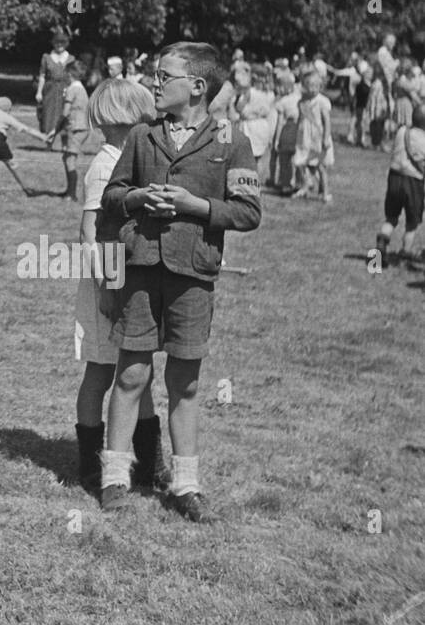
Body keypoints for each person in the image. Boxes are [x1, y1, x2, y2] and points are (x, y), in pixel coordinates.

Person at [99, 42, 262, 522]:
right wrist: (136, 199)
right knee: (131, 373)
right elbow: (112, 194)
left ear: (196, 86)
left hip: (193, 274)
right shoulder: (141, 135)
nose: (153, 81)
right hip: (141, 268)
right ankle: (114, 474)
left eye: (163, 75)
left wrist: (195, 207)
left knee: (185, 382)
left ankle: (185, 484)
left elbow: (249, 212)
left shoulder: (231, 140)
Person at [74, 76, 164, 497]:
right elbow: (90, 235)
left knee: (137, 372)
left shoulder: (127, 160)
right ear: (127, 120)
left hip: (130, 282)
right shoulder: (105, 166)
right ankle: (91, 463)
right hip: (106, 285)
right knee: (100, 372)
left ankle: (149, 462)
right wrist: (106, 287)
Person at [373, 104, 425, 269]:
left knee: (391, 218)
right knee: (412, 222)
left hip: (394, 177)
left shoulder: (402, 131)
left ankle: (381, 244)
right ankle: (405, 253)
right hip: (413, 182)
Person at [0, 96, 49, 193]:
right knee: (11, 164)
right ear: (8, 109)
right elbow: (25, 129)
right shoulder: (6, 116)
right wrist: (42, 137)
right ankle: (26, 188)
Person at [49, 60, 91, 201]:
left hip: (76, 128)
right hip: (79, 127)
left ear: (70, 74)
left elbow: (65, 113)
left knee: (70, 160)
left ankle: (72, 194)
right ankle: (69, 191)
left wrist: (55, 129)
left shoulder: (72, 89)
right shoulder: (81, 88)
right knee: (67, 158)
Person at [292, 68, 334, 202]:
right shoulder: (302, 102)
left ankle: (325, 192)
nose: (313, 89)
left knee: (320, 165)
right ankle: (305, 186)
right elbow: (300, 119)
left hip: (317, 136)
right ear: (304, 86)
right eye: (309, 86)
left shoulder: (322, 101)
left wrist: (326, 138)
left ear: (320, 87)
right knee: (301, 162)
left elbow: (326, 121)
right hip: (304, 136)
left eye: (316, 86)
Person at [227, 63, 275, 173]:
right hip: (262, 125)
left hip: (250, 127)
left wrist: (236, 100)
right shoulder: (270, 93)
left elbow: (239, 108)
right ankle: (257, 181)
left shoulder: (250, 92)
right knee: (257, 158)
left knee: (247, 157)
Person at [34, 29, 74, 138]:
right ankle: (48, 141)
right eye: (57, 42)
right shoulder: (46, 57)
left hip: (65, 89)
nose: (59, 45)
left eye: (62, 42)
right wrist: (39, 92)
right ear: (53, 43)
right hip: (50, 89)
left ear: (66, 43)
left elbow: (73, 76)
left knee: (64, 115)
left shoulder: (70, 59)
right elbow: (42, 75)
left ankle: (64, 144)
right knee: (48, 115)